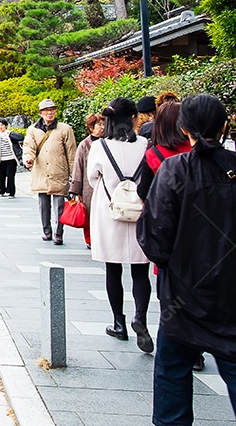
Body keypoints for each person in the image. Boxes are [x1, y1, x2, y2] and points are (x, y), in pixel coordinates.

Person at [138, 93, 236, 424]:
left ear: (185, 128)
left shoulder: (175, 170)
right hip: (233, 293)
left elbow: (155, 234)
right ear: (224, 125)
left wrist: (169, 264)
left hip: (184, 290)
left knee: (172, 371)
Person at [85, 98, 151, 352]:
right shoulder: (145, 145)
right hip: (138, 208)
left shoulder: (100, 146)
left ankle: (119, 323)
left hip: (109, 210)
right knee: (140, 270)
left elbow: (93, 178)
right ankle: (140, 319)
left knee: (113, 269)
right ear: (134, 118)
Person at [23, 98, 77, 244]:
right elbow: (29, 147)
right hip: (41, 171)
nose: (50, 113)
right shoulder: (33, 129)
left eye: (52, 109)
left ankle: (59, 233)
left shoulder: (65, 129)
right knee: (43, 205)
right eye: (46, 110)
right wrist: (28, 159)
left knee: (60, 205)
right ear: (41, 113)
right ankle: (46, 231)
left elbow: (72, 153)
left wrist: (74, 175)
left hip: (59, 171)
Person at [69, 113, 105, 248]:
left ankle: (101, 239)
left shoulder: (108, 142)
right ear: (91, 128)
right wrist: (76, 189)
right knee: (88, 212)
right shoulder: (85, 145)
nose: (102, 127)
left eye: (103, 124)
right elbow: (78, 167)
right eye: (99, 125)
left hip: (104, 184)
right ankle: (90, 239)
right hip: (87, 185)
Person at [0, 118, 23, 197]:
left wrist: (10, 134)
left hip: (11, 159)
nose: (1, 127)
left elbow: (21, 137)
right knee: (1, 176)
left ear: (6, 126)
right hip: (1, 159)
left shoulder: (10, 134)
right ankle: (2, 190)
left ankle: (11, 192)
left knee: (10, 176)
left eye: (2, 125)